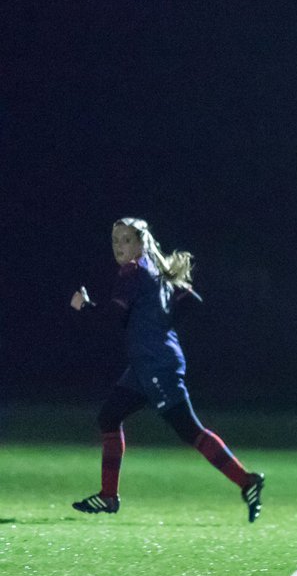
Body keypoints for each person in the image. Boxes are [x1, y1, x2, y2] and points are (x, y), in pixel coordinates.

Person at [68, 218, 264, 521]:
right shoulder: (153, 270)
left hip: (156, 366)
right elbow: (191, 302)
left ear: (142, 243)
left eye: (126, 240)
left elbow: (112, 319)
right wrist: (158, 324)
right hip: (146, 365)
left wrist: (84, 306)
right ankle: (108, 497)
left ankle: (247, 481)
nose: (119, 247)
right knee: (108, 417)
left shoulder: (134, 272)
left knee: (190, 430)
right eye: (115, 241)